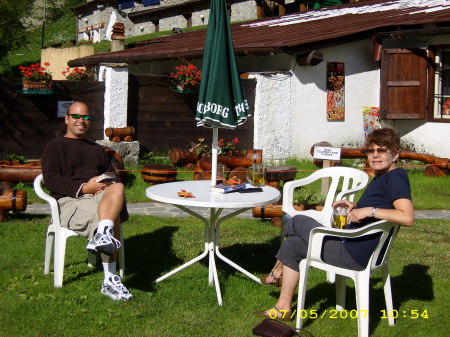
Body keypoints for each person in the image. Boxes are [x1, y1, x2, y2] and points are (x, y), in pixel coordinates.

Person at [255, 128, 414, 320]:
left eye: (381, 151)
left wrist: (368, 211)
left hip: (351, 252)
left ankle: (276, 271)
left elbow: (407, 217)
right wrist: (355, 205)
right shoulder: (383, 176)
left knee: (296, 221)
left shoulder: (395, 178)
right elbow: (381, 204)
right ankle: (283, 307)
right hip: (352, 245)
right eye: (371, 151)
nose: (375, 156)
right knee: (292, 245)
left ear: (395, 154)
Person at [42, 101, 132, 301]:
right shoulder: (54, 146)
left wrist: (105, 183)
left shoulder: (97, 150)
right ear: (67, 119)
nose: (81, 121)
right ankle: (110, 278)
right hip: (69, 201)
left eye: (86, 117)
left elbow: (110, 175)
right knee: (110, 218)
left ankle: (103, 236)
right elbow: (51, 179)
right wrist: (84, 188)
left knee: (118, 187)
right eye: (76, 116)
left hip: (97, 196)